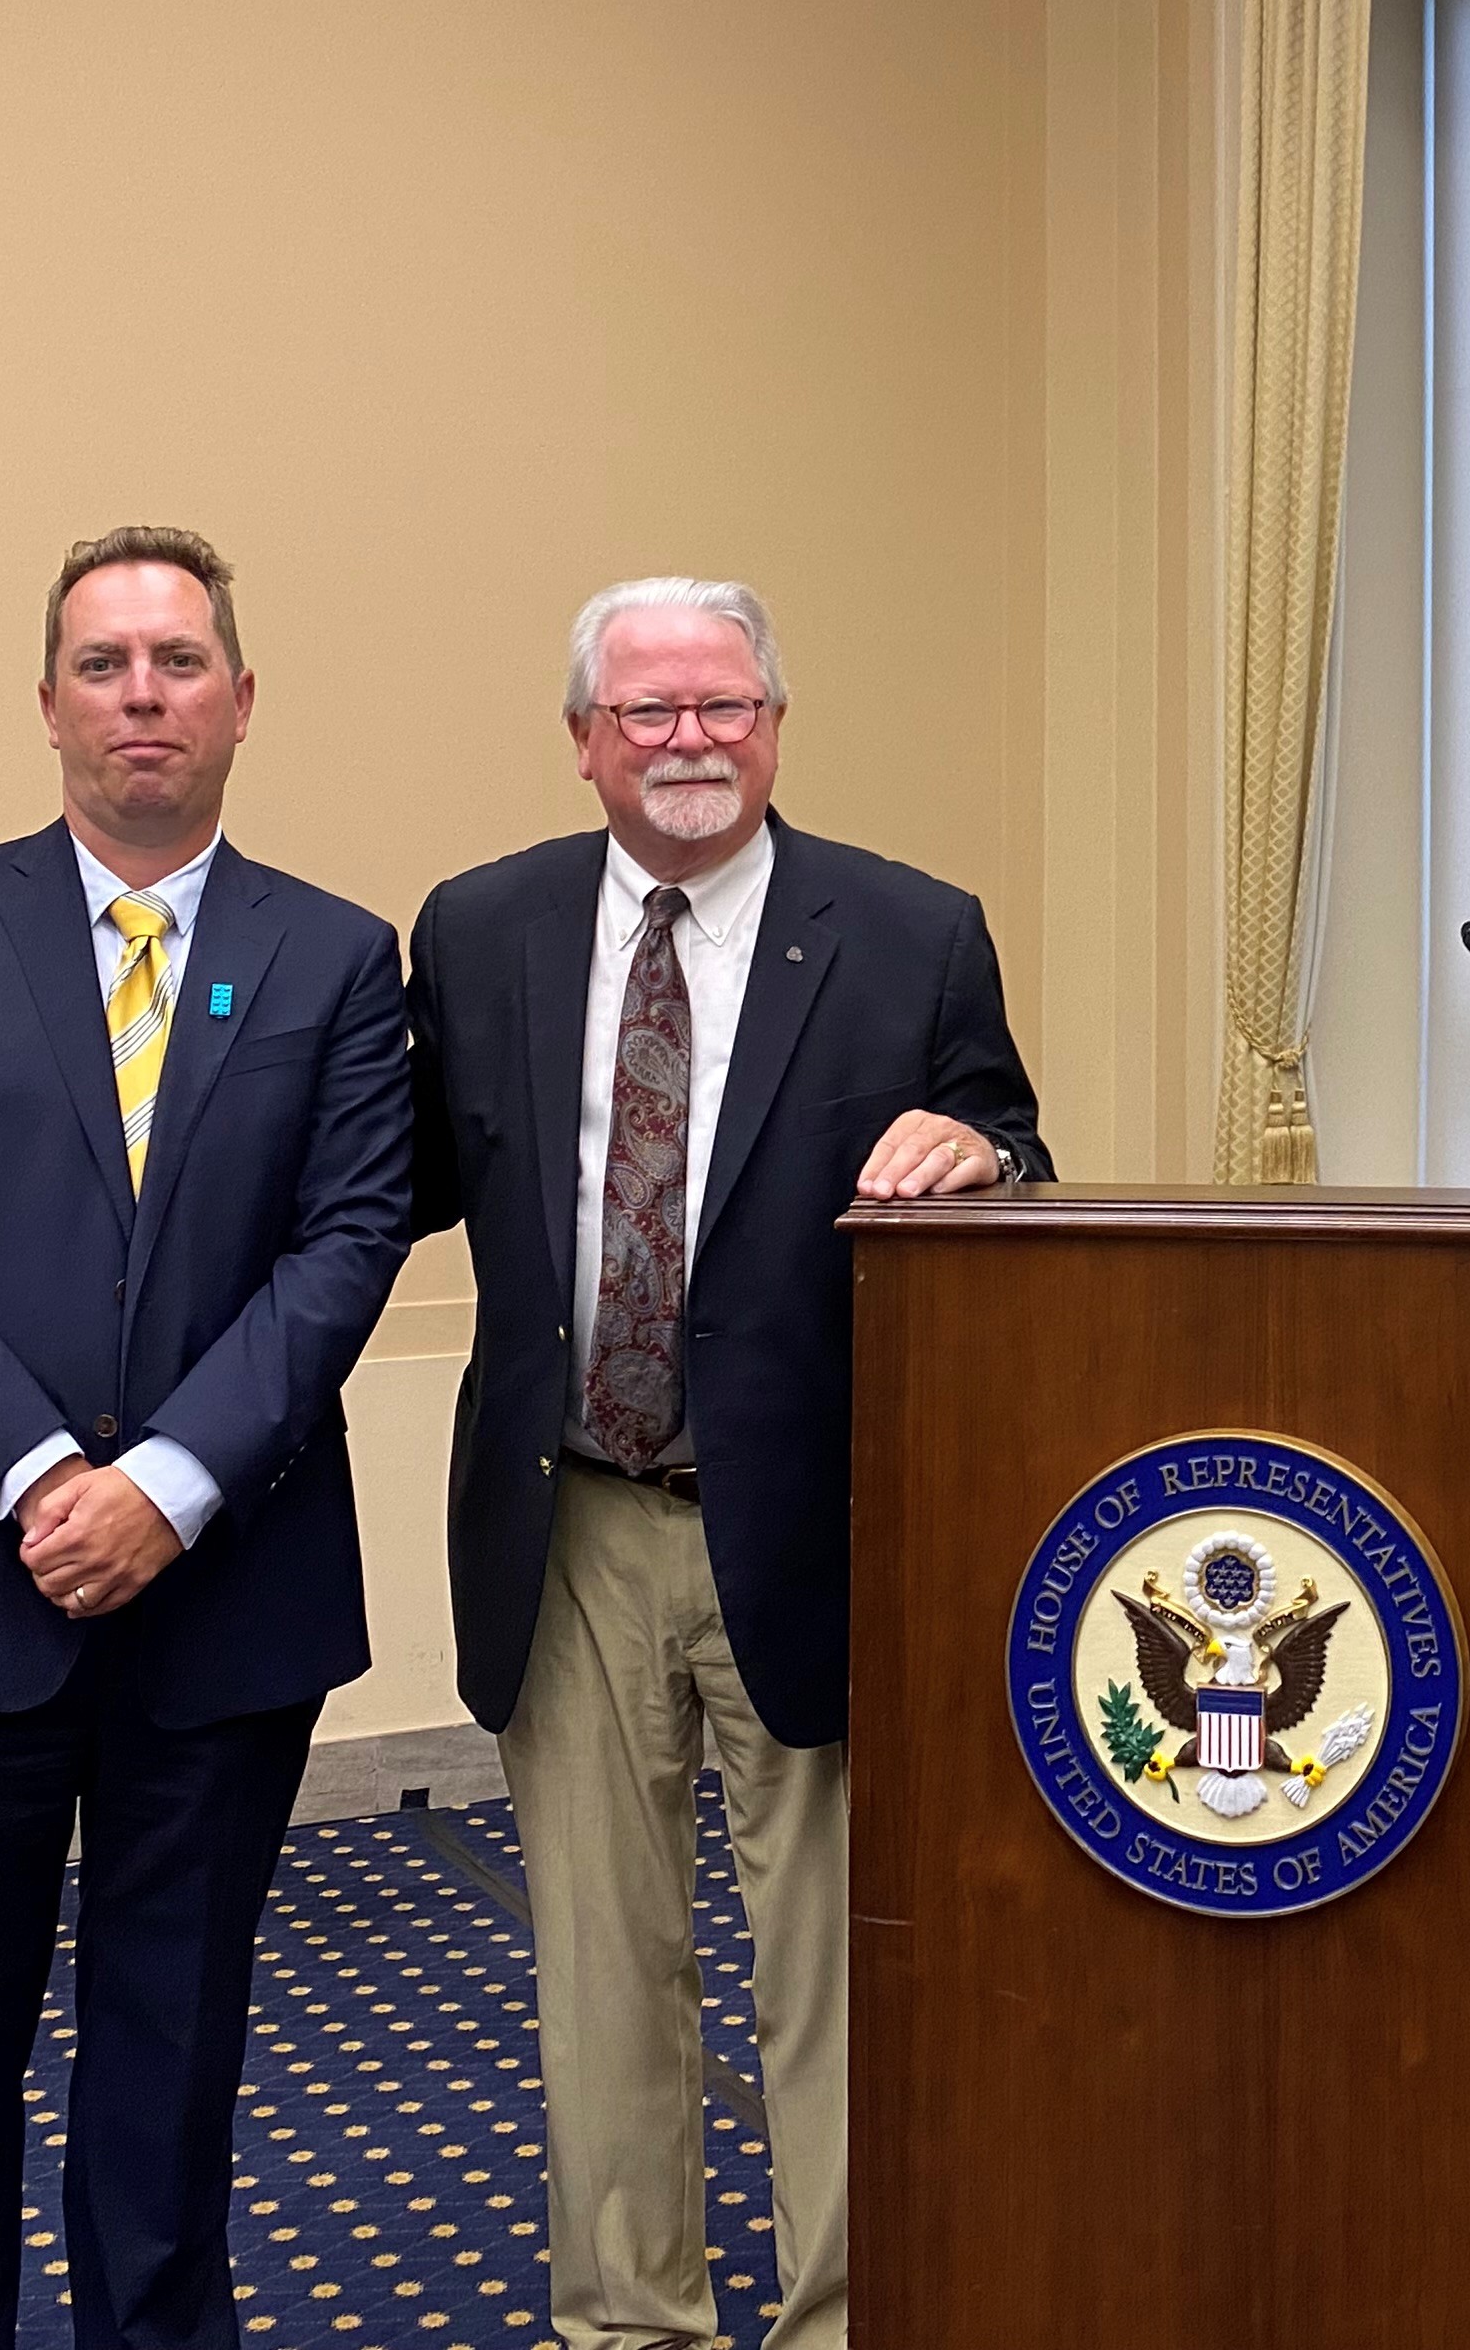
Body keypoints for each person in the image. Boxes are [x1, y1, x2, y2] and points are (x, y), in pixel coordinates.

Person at [405, 574, 1050, 2350]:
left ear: (775, 721)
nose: (689, 744)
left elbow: (1016, 1144)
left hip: (816, 1523)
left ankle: (850, 2316)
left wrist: (982, 1151)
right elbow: (391, 1187)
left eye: (724, 709)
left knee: (835, 1973)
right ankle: (634, 2323)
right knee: (602, 1974)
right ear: (583, 742)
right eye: (648, 715)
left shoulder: (911, 933)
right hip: (569, 1526)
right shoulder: (478, 931)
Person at [0, 526, 415, 2350]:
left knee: (171, 2074)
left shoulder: (336, 956)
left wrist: (166, 1485)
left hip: (226, 1604)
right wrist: (46, 1480)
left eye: (178, 663)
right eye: (103, 664)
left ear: (240, 699)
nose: (143, 696)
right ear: (48, 701)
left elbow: (347, 1243)